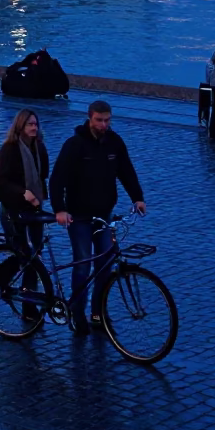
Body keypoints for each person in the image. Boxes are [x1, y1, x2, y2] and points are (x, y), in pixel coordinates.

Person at [49, 99, 145, 335]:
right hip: (79, 216)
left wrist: (137, 197)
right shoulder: (75, 145)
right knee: (82, 265)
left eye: (107, 120)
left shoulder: (114, 142)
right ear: (90, 118)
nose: (103, 125)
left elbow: (126, 171)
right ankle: (77, 312)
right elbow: (57, 179)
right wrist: (60, 209)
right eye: (99, 120)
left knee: (105, 265)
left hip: (104, 214)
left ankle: (98, 311)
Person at [0, 109, 49, 321]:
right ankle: (2, 279)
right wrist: (22, 193)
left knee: (35, 255)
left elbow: (43, 175)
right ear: (20, 126)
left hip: (34, 209)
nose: (34, 128)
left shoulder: (40, 148)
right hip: (13, 209)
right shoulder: (9, 149)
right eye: (29, 124)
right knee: (22, 254)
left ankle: (29, 303)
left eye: (35, 124)